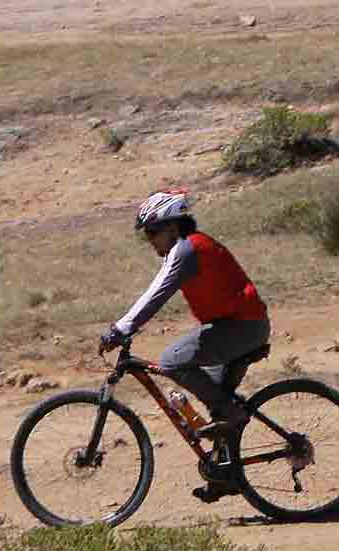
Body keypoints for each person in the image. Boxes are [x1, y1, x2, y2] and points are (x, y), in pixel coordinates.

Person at [99, 190, 271, 499]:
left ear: (174, 227)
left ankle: (230, 416)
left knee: (172, 361)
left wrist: (120, 329)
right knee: (218, 402)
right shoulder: (187, 249)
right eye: (146, 234)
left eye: (153, 231)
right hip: (237, 326)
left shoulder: (187, 250)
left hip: (242, 328)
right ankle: (225, 475)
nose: (150, 239)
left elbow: (155, 294)